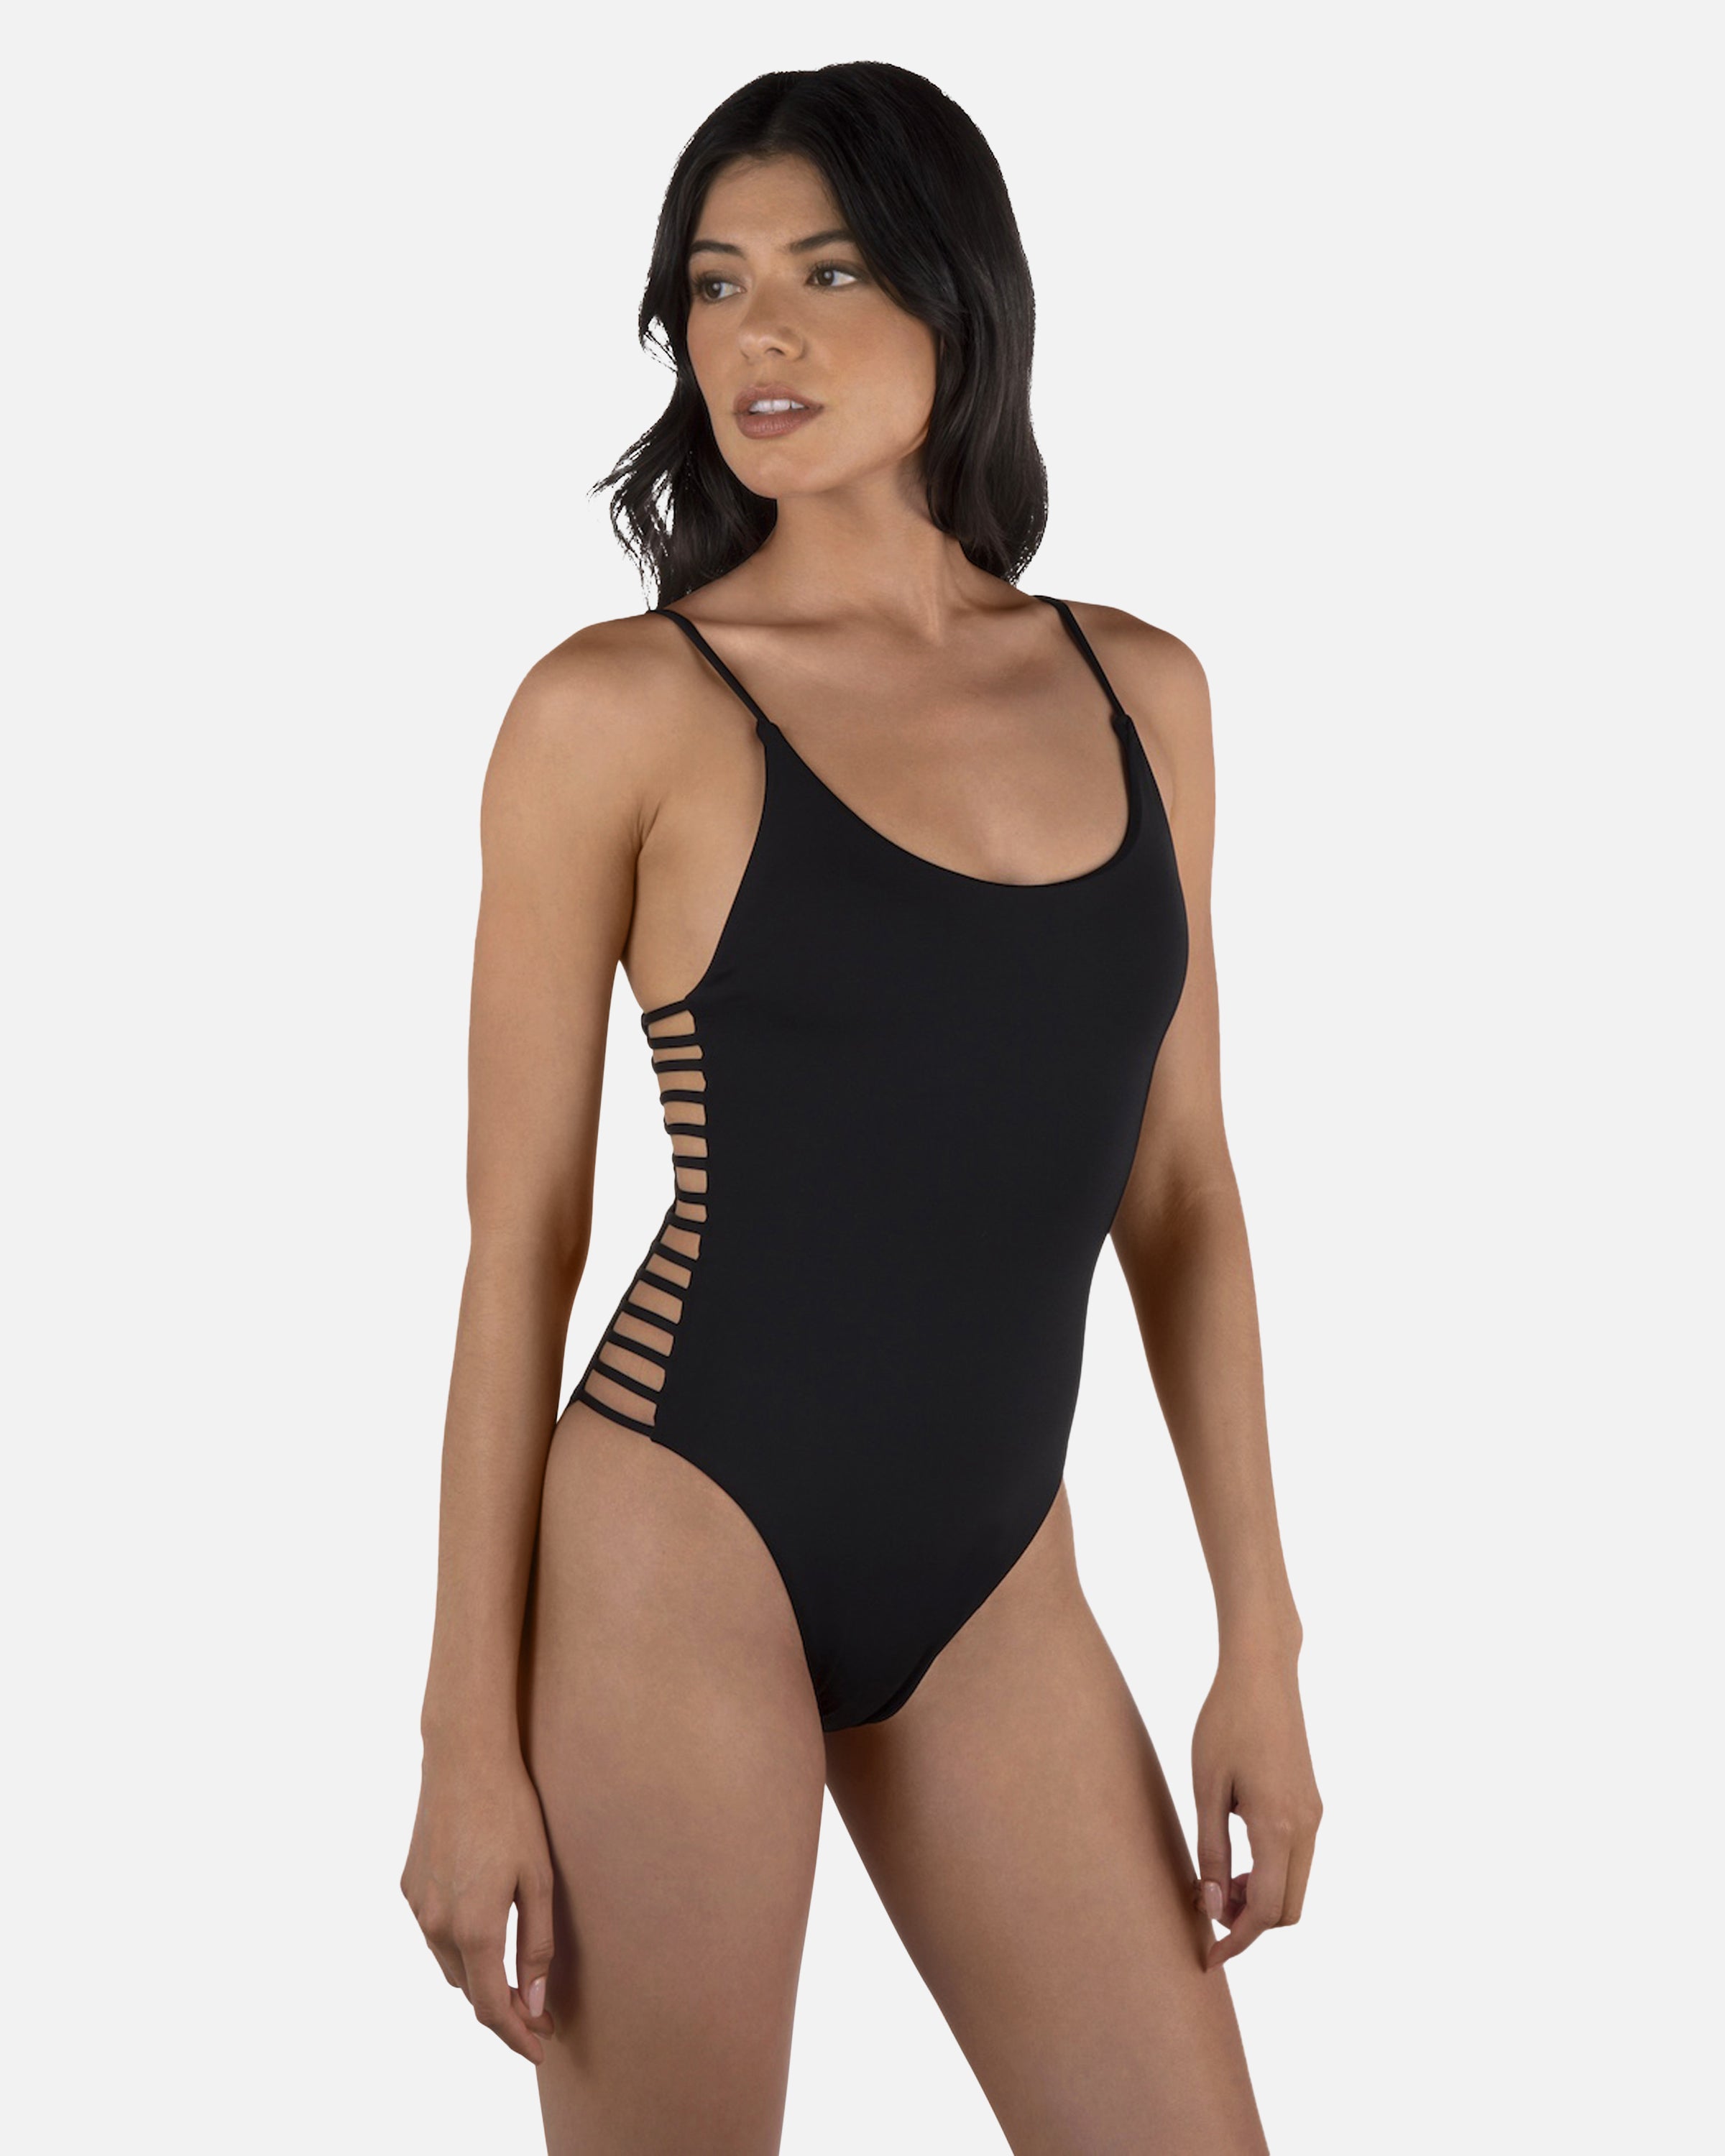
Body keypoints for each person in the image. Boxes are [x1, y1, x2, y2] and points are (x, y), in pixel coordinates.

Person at [401, 60, 1321, 2155]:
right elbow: (516, 1245)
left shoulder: (1143, 690)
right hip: (675, 1541)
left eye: (827, 272)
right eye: (715, 283)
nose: (762, 334)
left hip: (998, 1571)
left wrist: (1258, 1637)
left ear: (957, 296)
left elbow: (1183, 1193)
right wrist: (464, 1730)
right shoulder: (617, 711)